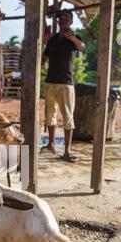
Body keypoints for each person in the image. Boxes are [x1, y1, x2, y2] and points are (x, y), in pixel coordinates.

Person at [41, 9, 86, 162]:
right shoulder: (53, 40)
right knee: (49, 116)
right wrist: (35, 71)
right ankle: (51, 144)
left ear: (71, 22)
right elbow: (44, 58)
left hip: (66, 84)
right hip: (50, 82)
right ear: (58, 21)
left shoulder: (75, 38)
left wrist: (73, 39)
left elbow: (82, 47)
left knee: (68, 118)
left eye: (67, 18)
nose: (63, 20)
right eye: (61, 18)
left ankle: (67, 151)